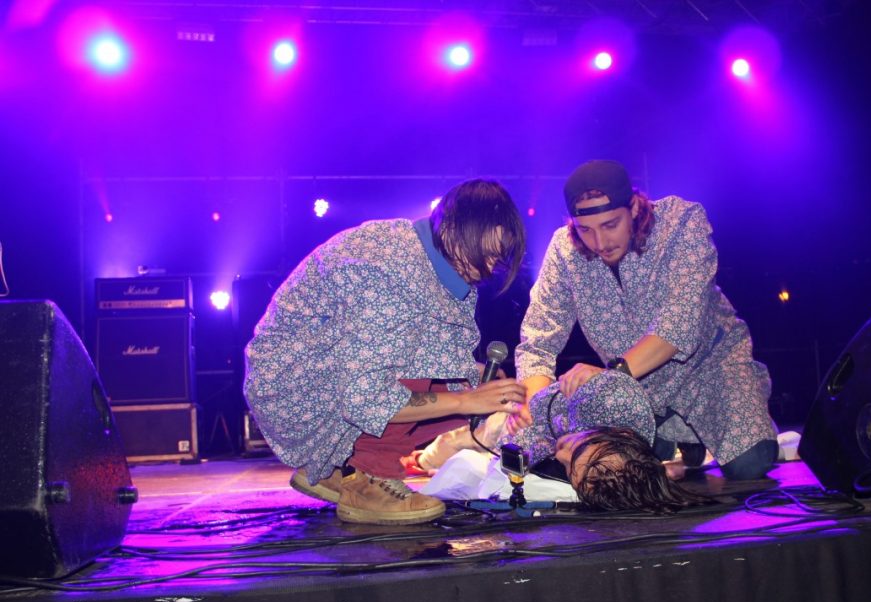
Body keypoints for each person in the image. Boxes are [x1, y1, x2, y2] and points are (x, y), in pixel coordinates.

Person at [244, 179, 528, 525]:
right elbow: (364, 397)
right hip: (292, 389)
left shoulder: (430, 260)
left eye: (497, 257)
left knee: (470, 388)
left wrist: (473, 384)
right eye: (483, 252)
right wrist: (466, 400)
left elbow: (426, 352)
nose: (489, 268)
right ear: (452, 228)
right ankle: (368, 477)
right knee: (461, 396)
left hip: (321, 379)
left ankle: (335, 468)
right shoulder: (391, 270)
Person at [513, 159, 778, 481]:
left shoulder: (682, 222)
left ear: (635, 208)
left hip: (710, 367)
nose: (600, 243)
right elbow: (538, 339)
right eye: (585, 230)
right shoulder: (563, 250)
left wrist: (611, 376)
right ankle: (669, 440)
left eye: (610, 225)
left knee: (751, 464)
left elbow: (679, 323)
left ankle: (704, 433)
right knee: (612, 469)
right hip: (634, 390)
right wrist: (534, 406)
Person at [415, 369, 709, 513]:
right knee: (467, 440)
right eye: (576, 451)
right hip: (525, 409)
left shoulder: (593, 460)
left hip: (531, 432)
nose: (561, 456)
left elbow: (512, 461)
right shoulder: (614, 401)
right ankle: (423, 458)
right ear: (621, 434)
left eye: (570, 469)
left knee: (478, 463)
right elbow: (527, 420)